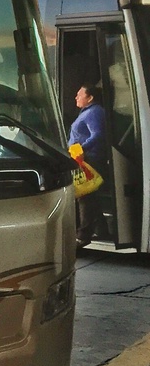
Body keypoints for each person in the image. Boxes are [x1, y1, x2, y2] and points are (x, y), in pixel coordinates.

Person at [71, 84, 107, 249]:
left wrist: (82, 148)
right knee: (90, 195)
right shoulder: (87, 112)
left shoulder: (94, 112)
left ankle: (83, 235)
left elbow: (98, 134)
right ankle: (101, 229)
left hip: (89, 160)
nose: (76, 98)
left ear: (90, 97)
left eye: (79, 95)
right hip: (83, 159)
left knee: (85, 197)